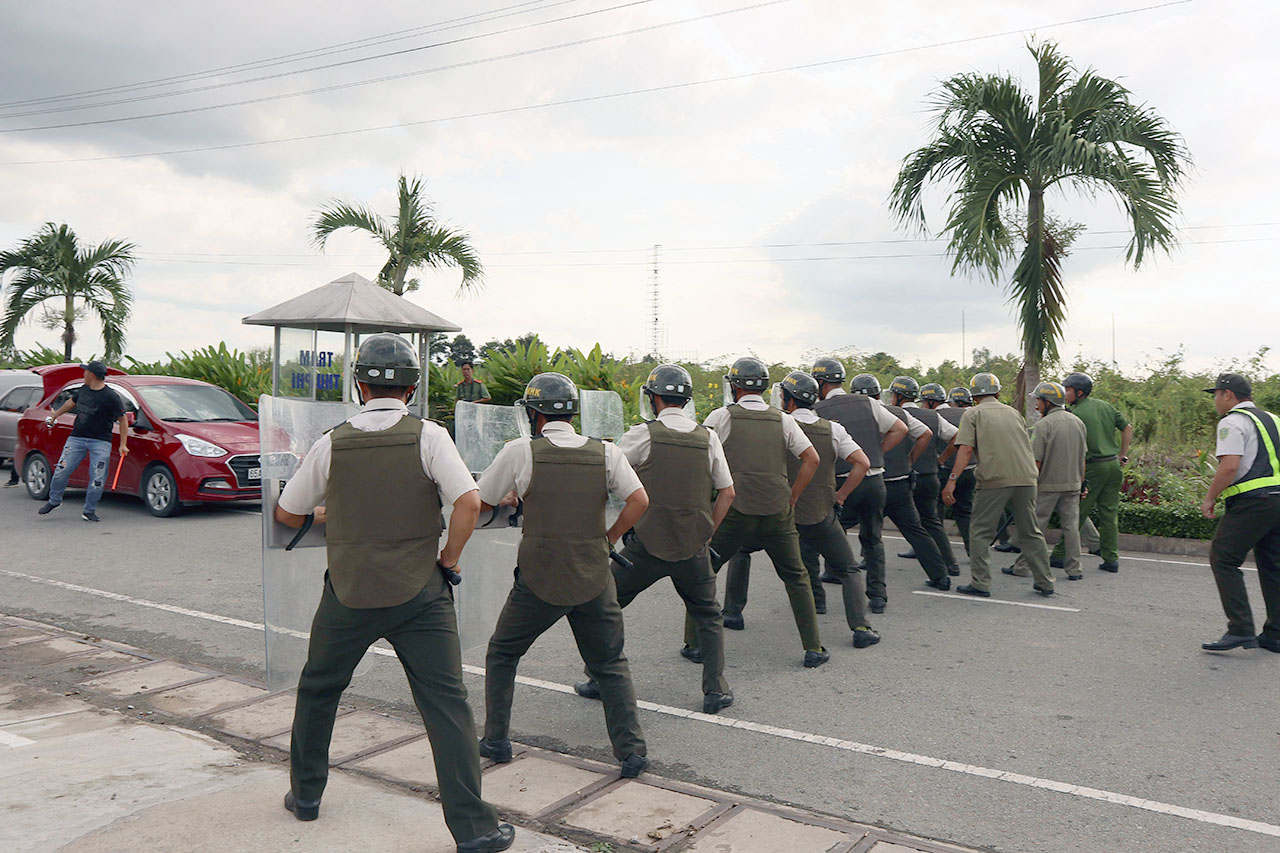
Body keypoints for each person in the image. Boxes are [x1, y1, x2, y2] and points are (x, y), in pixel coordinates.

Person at [273, 334, 514, 853]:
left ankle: (306, 794)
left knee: (319, 691)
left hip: (349, 591)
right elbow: (469, 503)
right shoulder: (430, 436)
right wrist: (448, 558)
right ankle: (475, 829)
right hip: (420, 593)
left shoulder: (332, 442)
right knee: (446, 704)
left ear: (359, 385)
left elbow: (288, 513)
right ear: (412, 388)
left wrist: (334, 515)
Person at [477, 372, 652, 776]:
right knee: (610, 663)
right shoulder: (606, 452)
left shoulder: (521, 451)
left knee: (503, 653)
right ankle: (632, 752)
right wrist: (608, 538)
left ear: (534, 414)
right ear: (573, 413)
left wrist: (512, 498)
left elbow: (482, 501)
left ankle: (497, 739)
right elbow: (639, 500)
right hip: (594, 573)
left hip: (539, 575)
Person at [573, 364, 737, 714]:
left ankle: (600, 677)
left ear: (654, 398)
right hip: (694, 546)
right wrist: (707, 532)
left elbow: (609, 475)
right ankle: (715, 689)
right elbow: (727, 492)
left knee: (606, 603)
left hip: (646, 545)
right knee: (708, 615)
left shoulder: (642, 434)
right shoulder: (707, 437)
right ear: (687, 399)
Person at [706, 356, 829, 667]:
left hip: (736, 507)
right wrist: (792, 496)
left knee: (704, 571)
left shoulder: (721, 416)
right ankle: (813, 647)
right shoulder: (783, 420)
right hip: (777, 509)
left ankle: (695, 644)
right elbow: (811, 459)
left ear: (734, 387)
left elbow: (701, 459)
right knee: (796, 577)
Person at [775, 371, 879, 648]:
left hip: (785, 511)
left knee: (797, 563)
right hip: (822, 510)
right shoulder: (833, 429)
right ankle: (860, 627)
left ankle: (813, 606)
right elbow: (863, 463)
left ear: (788, 400)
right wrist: (841, 495)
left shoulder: (780, 425)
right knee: (849, 569)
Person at [942, 372, 1054, 598]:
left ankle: (980, 583)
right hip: (1026, 478)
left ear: (974, 396)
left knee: (980, 532)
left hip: (994, 479)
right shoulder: (1014, 413)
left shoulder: (973, 414)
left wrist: (951, 480)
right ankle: (1045, 581)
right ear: (998, 392)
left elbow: (965, 449)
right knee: (1031, 532)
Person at [812, 362, 908, 614]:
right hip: (875, 480)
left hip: (843, 480)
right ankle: (878, 596)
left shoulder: (818, 410)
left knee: (826, 533)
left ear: (820, 384)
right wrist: (876, 452)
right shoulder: (867, 403)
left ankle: (823, 591)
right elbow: (900, 428)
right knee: (873, 538)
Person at [1198, 373, 1280, 654]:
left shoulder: (1232, 421)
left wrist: (1210, 497)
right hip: (1278, 499)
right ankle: (1276, 634)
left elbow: (1230, 466)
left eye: (1216, 395)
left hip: (1253, 501)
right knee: (1273, 564)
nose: (1215, 401)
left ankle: (1241, 629)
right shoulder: (1274, 419)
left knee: (1223, 558)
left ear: (1228, 395)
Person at [1006, 382, 1088, 581]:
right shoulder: (1078, 422)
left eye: (1038, 401)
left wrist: (1028, 485)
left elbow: (1036, 461)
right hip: (1073, 483)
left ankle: (1023, 566)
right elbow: (1083, 457)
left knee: (1035, 527)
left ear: (1048, 402)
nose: (1036, 405)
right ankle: (1075, 568)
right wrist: (1082, 483)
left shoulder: (1044, 425)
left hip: (1048, 485)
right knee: (1071, 527)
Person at [884, 376, 957, 587]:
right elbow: (956, 437)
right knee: (929, 521)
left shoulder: (891, 414)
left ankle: (864, 560)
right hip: (928, 476)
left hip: (899, 478)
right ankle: (949, 564)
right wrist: (941, 459)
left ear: (897, 396)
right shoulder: (933, 416)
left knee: (873, 519)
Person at [1055, 372, 1131, 573]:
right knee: (1109, 514)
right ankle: (1111, 559)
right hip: (1113, 465)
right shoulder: (1105, 406)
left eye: (1068, 390)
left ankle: (1060, 554)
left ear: (1079, 392)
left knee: (1077, 511)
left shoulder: (1075, 414)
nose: (1064, 393)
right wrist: (1122, 455)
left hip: (1093, 466)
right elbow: (1127, 428)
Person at [37, 361, 128, 523]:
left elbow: (123, 420)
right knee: (62, 470)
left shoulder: (111, 396)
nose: (83, 374)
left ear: (91, 375)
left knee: (97, 478)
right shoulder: (83, 389)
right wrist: (56, 415)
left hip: (101, 441)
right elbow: (70, 403)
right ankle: (54, 500)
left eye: (85, 372)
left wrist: (123, 444)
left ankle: (89, 510)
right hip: (77, 438)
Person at [936, 386, 977, 553]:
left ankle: (936, 548)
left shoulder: (938, 415)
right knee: (964, 511)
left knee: (935, 509)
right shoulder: (974, 415)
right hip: (970, 469)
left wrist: (941, 459)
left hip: (946, 469)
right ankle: (973, 550)